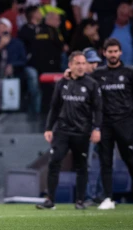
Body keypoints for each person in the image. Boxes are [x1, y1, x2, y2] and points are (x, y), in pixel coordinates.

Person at [36, 51, 102, 210]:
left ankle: (80, 201)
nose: (81, 66)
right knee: (54, 163)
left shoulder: (91, 84)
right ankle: (50, 200)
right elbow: (54, 107)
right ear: (70, 65)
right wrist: (48, 128)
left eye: (83, 63)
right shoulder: (61, 83)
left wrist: (96, 128)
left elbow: (98, 109)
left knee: (82, 167)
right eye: (77, 63)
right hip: (62, 131)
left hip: (82, 132)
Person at [89, 38, 133, 210]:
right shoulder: (97, 75)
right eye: (110, 52)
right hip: (105, 125)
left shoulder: (129, 73)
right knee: (105, 162)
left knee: (130, 160)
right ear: (104, 53)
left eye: (116, 51)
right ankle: (107, 198)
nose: (113, 55)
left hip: (126, 124)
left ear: (120, 52)